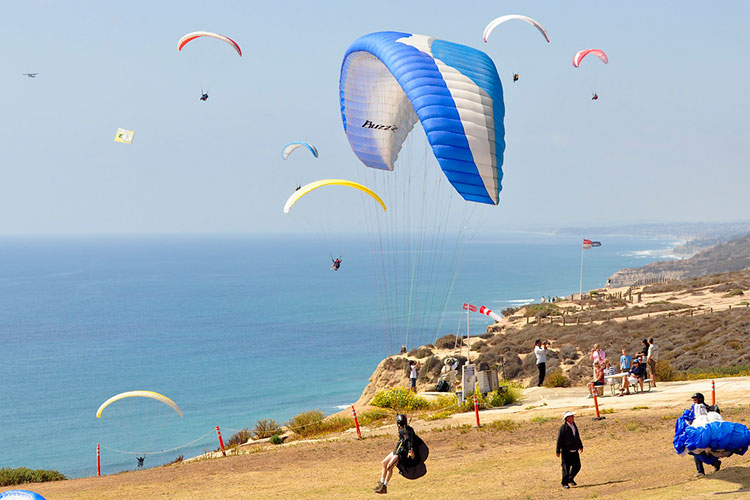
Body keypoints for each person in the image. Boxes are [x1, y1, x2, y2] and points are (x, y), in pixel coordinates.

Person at [374, 414, 428, 494]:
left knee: (389, 467)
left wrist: (410, 450)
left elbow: (409, 440)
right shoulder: (405, 429)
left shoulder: (405, 431)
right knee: (384, 463)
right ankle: (381, 482)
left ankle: (384, 486)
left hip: (401, 453)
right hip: (397, 450)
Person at [686, 393, 722, 477]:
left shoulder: (701, 407)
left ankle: (713, 463)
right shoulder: (697, 407)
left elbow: (701, 419)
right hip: (700, 432)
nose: (694, 400)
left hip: (702, 432)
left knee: (699, 450)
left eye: (696, 399)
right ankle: (702, 469)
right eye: (693, 399)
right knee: (696, 450)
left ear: (700, 399)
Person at [556, 411, 583, 489]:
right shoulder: (563, 428)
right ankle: (564, 483)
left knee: (577, 466)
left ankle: (570, 478)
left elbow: (577, 436)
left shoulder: (574, 425)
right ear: (567, 418)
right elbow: (559, 439)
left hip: (575, 450)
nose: (573, 418)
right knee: (566, 468)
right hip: (566, 451)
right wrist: (558, 450)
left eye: (573, 416)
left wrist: (580, 446)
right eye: (571, 417)